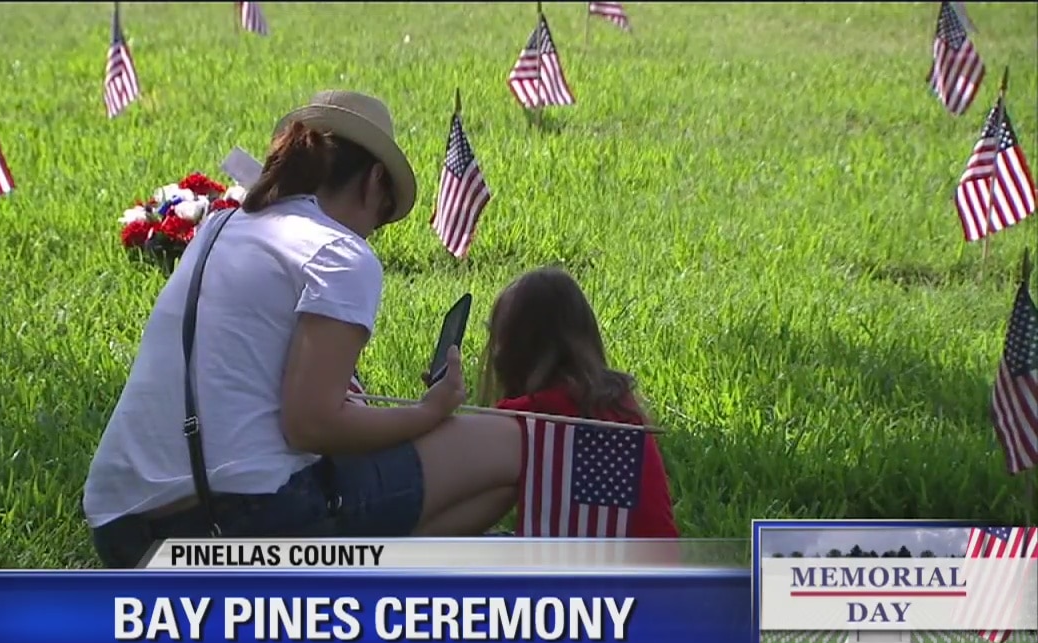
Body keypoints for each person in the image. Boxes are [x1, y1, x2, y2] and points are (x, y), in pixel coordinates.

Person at [84, 90, 521, 567]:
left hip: (123, 530)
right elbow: (310, 425)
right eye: (384, 213)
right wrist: (429, 412)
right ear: (375, 181)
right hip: (246, 520)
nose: (373, 231)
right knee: (509, 446)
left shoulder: (219, 228)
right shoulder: (340, 252)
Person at [478, 267, 679, 539]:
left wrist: (436, 408)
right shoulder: (620, 405)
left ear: (518, 345)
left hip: (591, 576)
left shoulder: (530, 417)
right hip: (658, 576)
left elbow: (451, 474)